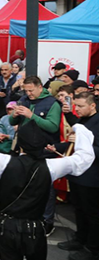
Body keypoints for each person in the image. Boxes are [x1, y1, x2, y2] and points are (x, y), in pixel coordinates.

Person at [0, 112, 95, 260]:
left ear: (21, 144)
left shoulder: (4, 162)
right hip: (35, 229)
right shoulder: (52, 167)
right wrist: (80, 129)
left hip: (8, 227)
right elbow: (84, 158)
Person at [57, 92, 99, 260]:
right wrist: (68, 114)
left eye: (81, 106)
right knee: (79, 210)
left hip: (92, 178)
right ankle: (80, 239)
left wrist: (82, 143)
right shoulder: (83, 119)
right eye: (76, 106)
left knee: (93, 214)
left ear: (92, 105)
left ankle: (92, 249)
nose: (78, 110)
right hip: (78, 173)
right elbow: (78, 125)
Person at [9, 76, 61, 145]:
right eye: (26, 91)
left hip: (43, 146)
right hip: (23, 144)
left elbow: (53, 127)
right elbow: (12, 122)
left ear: (40, 88)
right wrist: (14, 115)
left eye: (31, 91)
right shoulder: (23, 100)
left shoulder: (52, 103)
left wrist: (31, 116)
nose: (28, 94)